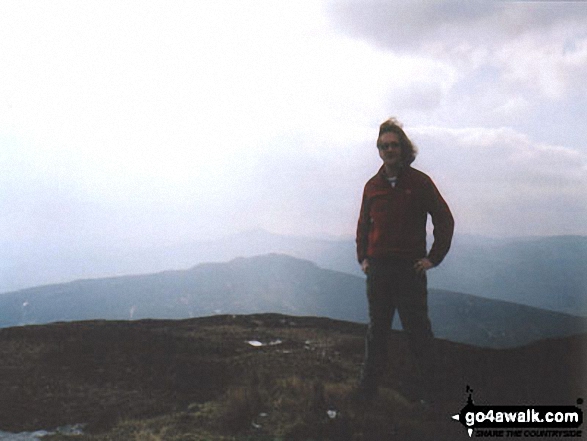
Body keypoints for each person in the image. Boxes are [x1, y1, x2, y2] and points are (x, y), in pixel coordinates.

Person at [355, 117, 454, 401]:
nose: (389, 150)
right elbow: (363, 224)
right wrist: (363, 257)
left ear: (403, 148)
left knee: (418, 333)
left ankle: (434, 395)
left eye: (394, 145)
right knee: (377, 333)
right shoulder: (372, 186)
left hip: (409, 269)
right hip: (379, 269)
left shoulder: (420, 183)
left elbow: (444, 219)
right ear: (379, 150)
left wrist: (432, 259)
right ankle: (366, 393)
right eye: (384, 146)